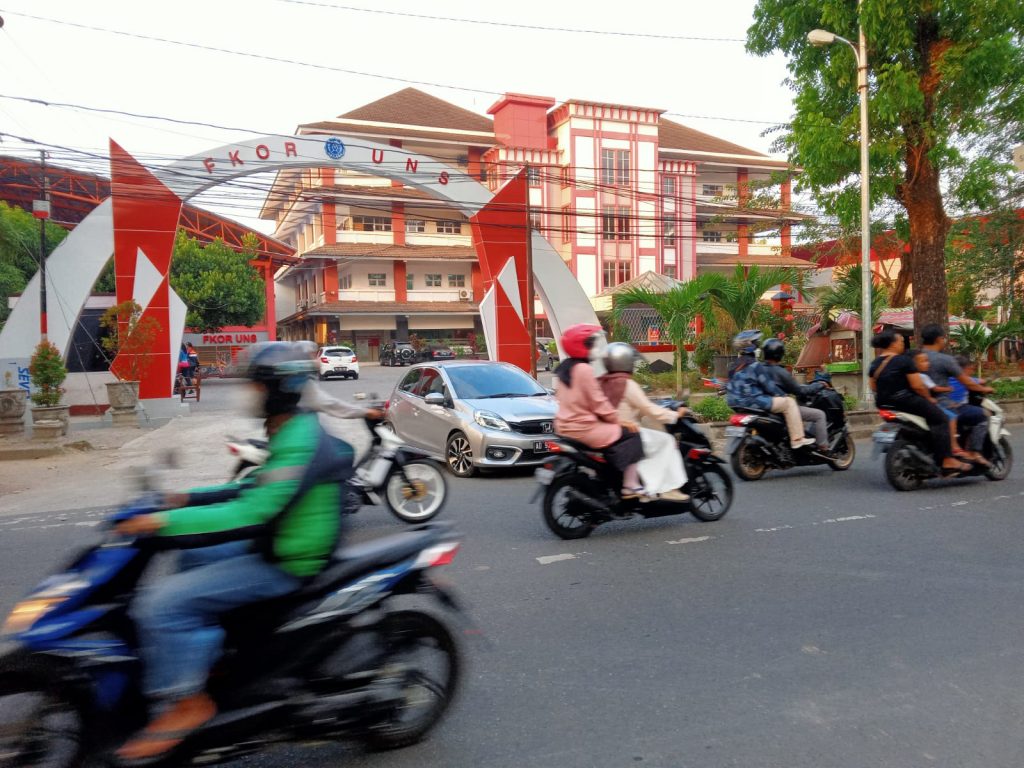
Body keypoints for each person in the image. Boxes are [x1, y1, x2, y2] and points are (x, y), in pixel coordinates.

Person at [115, 342, 353, 762]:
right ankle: (209, 659)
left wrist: (163, 523)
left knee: (160, 604)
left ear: (276, 391)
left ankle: (189, 703)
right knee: (191, 559)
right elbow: (250, 486)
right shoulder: (288, 427)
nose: (248, 394)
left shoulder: (298, 438)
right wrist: (184, 499)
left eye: (255, 387)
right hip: (276, 539)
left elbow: (251, 513)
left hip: (289, 559)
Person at [553, 323, 645, 501]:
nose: (595, 348)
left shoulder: (564, 369)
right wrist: (619, 420)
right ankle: (630, 485)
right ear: (582, 345)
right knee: (632, 434)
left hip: (564, 426)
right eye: (592, 344)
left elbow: (573, 400)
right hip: (583, 428)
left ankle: (608, 478)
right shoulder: (584, 370)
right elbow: (598, 402)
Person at [868, 329, 971, 474]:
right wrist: (929, 399)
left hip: (883, 403)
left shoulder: (875, 363)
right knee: (941, 419)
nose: (903, 344)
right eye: (901, 341)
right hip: (906, 401)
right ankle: (947, 459)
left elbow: (873, 386)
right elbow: (918, 386)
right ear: (893, 344)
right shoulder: (904, 361)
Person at [598, 342, 689, 502]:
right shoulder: (627, 384)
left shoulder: (603, 382)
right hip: (628, 433)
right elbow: (649, 409)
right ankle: (667, 489)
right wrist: (675, 415)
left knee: (655, 442)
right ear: (625, 363)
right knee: (667, 441)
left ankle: (643, 482)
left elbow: (636, 409)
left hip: (609, 432)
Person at [725, 331, 815, 450]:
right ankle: (797, 439)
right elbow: (769, 386)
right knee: (789, 402)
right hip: (753, 402)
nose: (758, 346)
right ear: (750, 346)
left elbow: (729, 384)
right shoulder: (755, 366)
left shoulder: (733, 366)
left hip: (734, 403)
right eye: (756, 343)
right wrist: (782, 395)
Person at [920, 323, 994, 465]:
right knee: (983, 415)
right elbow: (968, 382)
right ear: (939, 339)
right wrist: (985, 389)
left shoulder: (914, 357)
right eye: (944, 338)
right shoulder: (945, 359)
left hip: (920, 403)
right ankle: (973, 452)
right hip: (943, 403)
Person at [760, 338, 830, 454]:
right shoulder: (781, 372)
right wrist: (819, 385)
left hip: (764, 406)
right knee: (819, 415)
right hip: (781, 408)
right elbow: (799, 391)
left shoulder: (759, 369)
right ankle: (823, 447)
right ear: (780, 354)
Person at [910, 348, 963, 459]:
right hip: (926, 404)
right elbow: (934, 388)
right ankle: (953, 445)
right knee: (951, 417)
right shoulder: (923, 376)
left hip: (914, 405)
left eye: (927, 361)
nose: (928, 363)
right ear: (914, 363)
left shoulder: (909, 376)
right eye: (924, 361)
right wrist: (948, 389)